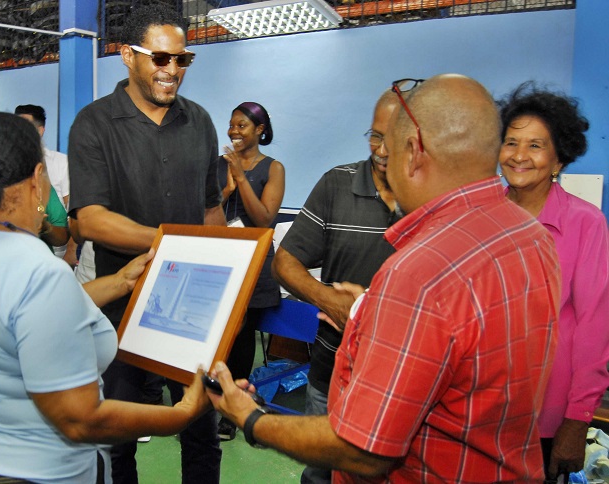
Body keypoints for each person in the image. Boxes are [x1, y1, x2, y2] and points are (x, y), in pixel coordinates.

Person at [208, 74, 562, 482]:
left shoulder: (419, 273)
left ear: (413, 153)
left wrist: (251, 418)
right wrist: (369, 309)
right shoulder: (531, 236)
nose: (383, 164)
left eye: (389, 153)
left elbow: (364, 450)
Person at [0, 112, 209, 483]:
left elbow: (30, 312)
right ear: (37, 180)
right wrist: (183, 413)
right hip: (27, 472)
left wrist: (120, 281)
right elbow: (80, 418)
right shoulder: (39, 271)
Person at [68, 4, 225, 483]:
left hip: (191, 304)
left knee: (201, 424)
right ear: (126, 56)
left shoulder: (199, 122)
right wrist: (171, 242)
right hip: (122, 303)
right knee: (117, 430)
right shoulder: (93, 124)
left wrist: (225, 271)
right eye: (160, 59)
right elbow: (91, 220)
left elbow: (211, 209)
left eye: (183, 60)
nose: (172, 70)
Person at [271, 88, 402, 483]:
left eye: (392, 138)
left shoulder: (429, 197)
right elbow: (286, 262)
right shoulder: (337, 184)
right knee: (321, 474)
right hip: (332, 371)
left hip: (401, 379)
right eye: (375, 135)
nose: (380, 149)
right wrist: (329, 300)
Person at [497, 82, 609, 480]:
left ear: (559, 159)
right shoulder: (483, 215)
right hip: (478, 409)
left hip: (546, 414)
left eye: (536, 145)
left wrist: (577, 421)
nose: (519, 156)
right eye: (511, 143)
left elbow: (594, 326)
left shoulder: (585, 223)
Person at [217, 101, 284, 441]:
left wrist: (241, 178)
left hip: (254, 264)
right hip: (221, 258)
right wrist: (226, 188)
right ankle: (212, 401)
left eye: (242, 125)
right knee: (218, 336)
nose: (234, 131)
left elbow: (264, 219)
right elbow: (207, 210)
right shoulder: (219, 165)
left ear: (260, 130)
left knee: (242, 339)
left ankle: (235, 412)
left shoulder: (273, 168)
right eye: (231, 125)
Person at [14, 104, 75, 263]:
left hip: (56, 248)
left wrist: (71, 250)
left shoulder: (61, 163)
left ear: (40, 131)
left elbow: (74, 212)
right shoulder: (6, 167)